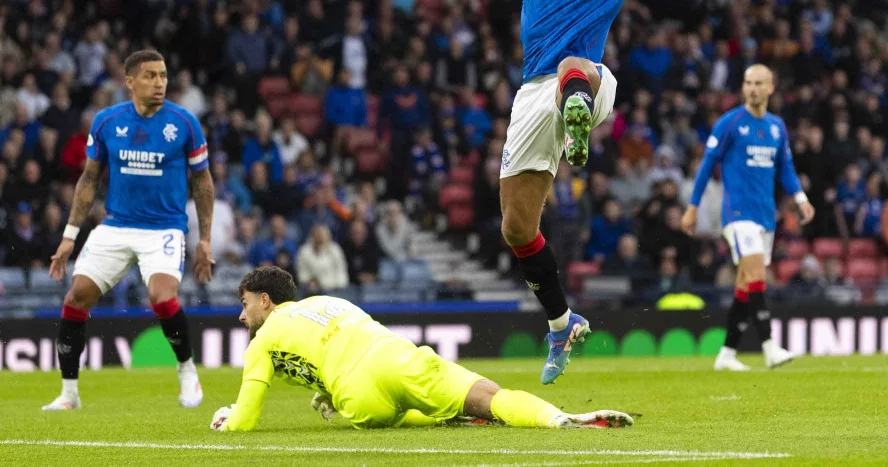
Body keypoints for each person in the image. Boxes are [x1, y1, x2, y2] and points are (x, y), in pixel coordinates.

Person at [355, 0, 816, 384]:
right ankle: (561, 323)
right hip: (532, 96)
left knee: (573, 66)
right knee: (516, 227)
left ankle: (577, 117)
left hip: (590, 81)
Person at [210, 267, 632, 431]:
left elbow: (245, 419)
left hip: (359, 402)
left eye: (244, 304)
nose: (241, 316)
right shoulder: (328, 301)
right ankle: (558, 419)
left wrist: (226, 420)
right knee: (489, 396)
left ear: (265, 300)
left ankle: (450, 418)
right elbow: (346, 342)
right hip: (393, 358)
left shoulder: (262, 342)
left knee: (396, 412)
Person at [45, 50, 215, 410]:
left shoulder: (184, 123)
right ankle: (69, 394)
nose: (160, 83)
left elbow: (203, 181)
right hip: (116, 225)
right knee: (75, 298)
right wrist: (69, 236)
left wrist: (205, 239)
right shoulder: (107, 121)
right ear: (130, 82)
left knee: (161, 297)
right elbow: (88, 180)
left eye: (163, 75)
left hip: (163, 228)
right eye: (150, 76)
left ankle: (187, 370)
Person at [682, 65, 815, 371]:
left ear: (771, 88)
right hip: (738, 214)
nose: (752, 88)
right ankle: (770, 347)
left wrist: (801, 199)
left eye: (758, 83)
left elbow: (786, 168)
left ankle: (727, 354)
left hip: (765, 216)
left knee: (745, 284)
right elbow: (707, 165)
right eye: (747, 83)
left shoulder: (777, 127)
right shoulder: (730, 123)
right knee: (757, 275)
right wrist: (692, 207)